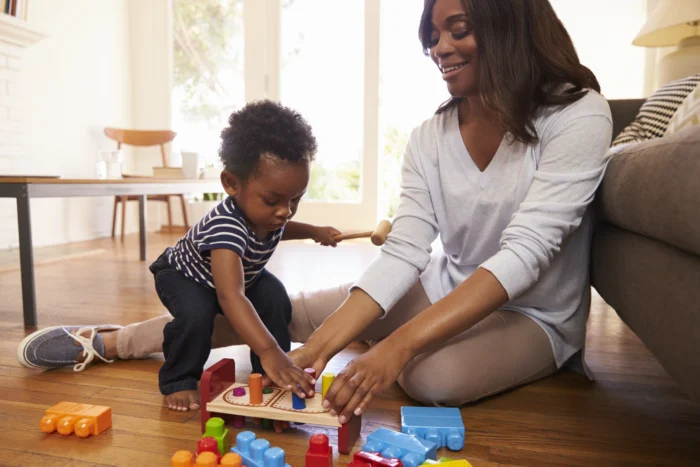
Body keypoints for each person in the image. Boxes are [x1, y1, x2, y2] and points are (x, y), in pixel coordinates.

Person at [18, 0, 613, 427]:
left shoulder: (578, 115)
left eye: (458, 29)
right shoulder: (430, 136)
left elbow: (526, 254)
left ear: (510, 23)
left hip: (532, 315)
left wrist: (396, 347)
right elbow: (406, 250)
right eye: (432, 34)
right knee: (285, 315)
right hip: (444, 287)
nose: (440, 48)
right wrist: (318, 347)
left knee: (433, 379)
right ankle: (112, 341)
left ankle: (435, 348)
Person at [18, 100, 343, 413]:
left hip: (237, 279)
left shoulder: (270, 215)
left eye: (295, 200)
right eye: (273, 200)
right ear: (231, 183)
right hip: (186, 278)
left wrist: (314, 231)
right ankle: (178, 378)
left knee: (275, 299)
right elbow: (230, 297)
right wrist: (269, 348)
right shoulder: (226, 228)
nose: (285, 212)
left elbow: (281, 228)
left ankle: (269, 374)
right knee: (196, 318)